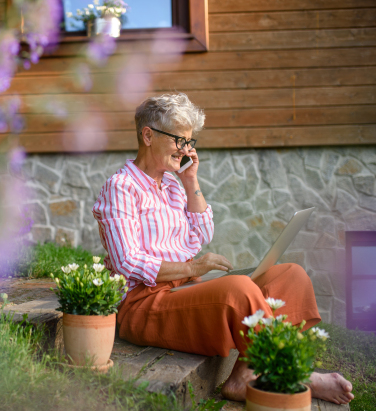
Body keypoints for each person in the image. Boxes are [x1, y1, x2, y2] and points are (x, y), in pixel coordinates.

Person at [92, 93, 354, 404]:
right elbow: (126, 263)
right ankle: (291, 372)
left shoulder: (174, 186)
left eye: (190, 141)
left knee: (291, 276)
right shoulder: (121, 187)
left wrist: (191, 181)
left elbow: (202, 234)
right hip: (144, 303)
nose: (186, 149)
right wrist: (192, 268)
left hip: (183, 291)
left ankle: (244, 376)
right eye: (178, 139)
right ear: (148, 135)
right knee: (238, 290)